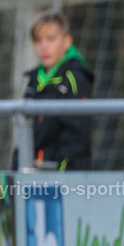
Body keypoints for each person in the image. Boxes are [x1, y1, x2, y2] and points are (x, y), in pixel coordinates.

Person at [21, 10, 93, 170]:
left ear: (67, 42)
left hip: (64, 176)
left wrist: (61, 171)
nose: (44, 46)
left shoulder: (75, 77)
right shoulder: (34, 79)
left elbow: (76, 134)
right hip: (34, 171)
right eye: (38, 41)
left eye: (51, 39)